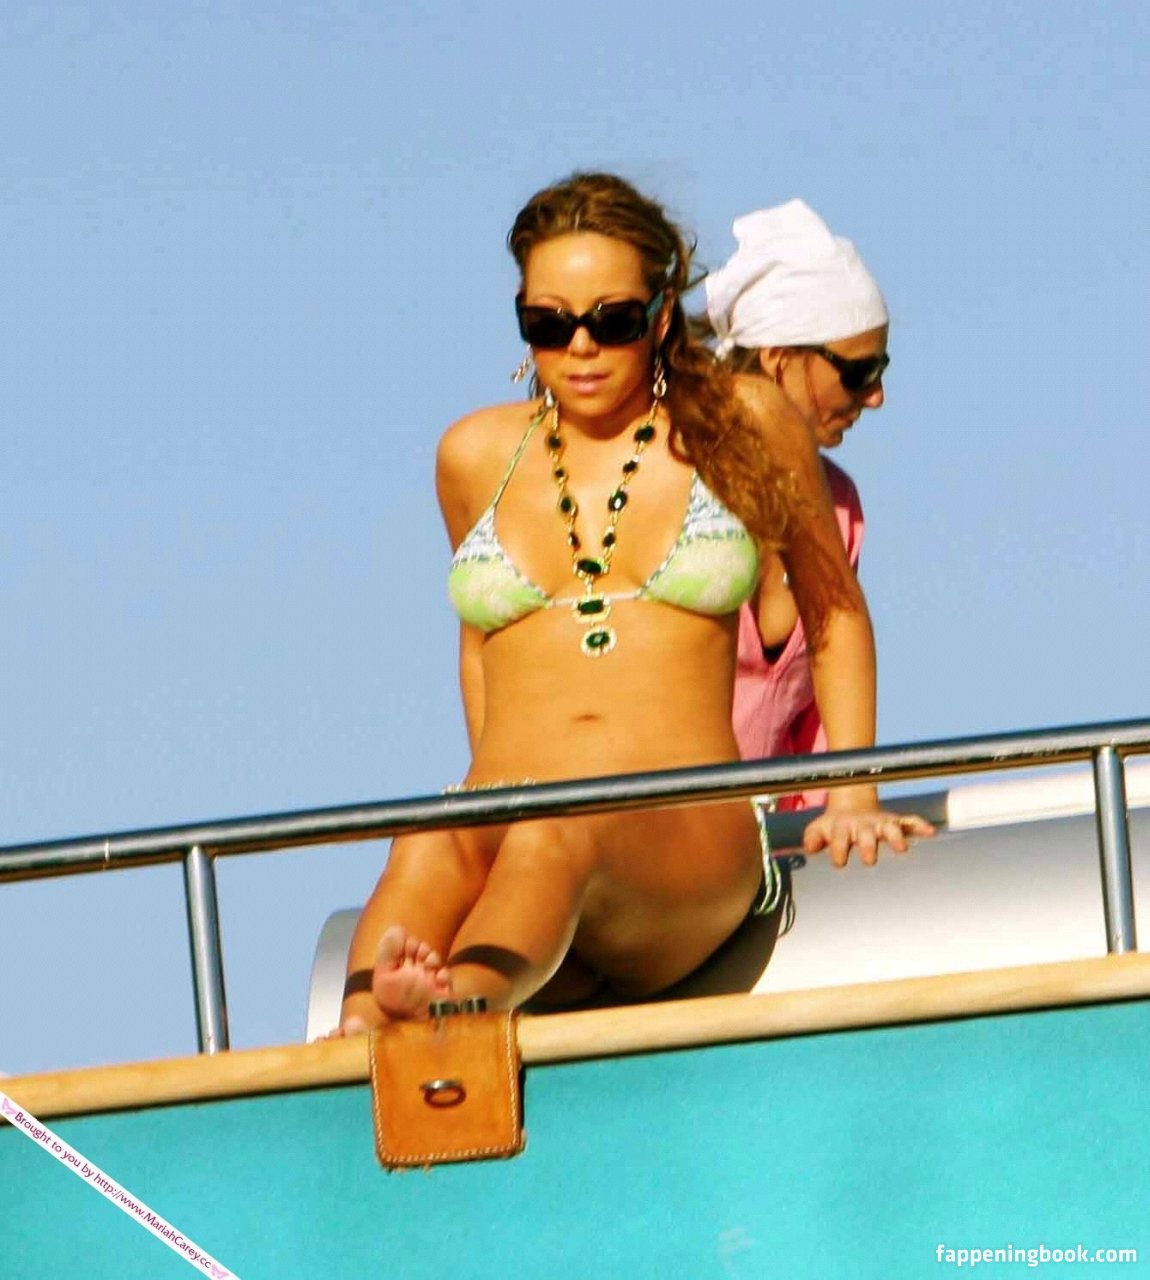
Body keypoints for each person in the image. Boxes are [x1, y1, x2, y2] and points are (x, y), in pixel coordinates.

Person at [338, 174, 921, 1030]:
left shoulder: (742, 422)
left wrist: (853, 795)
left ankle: (457, 1003)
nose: (580, 347)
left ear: (659, 317)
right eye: (548, 324)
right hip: (515, 820)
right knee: (428, 839)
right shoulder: (473, 454)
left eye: (610, 321)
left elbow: (835, 612)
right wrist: (486, 796)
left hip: (683, 832)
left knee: (557, 834)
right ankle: (358, 1032)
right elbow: (480, 646)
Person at [704, 200, 934, 858]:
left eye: (880, 371)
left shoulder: (839, 508)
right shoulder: (669, 491)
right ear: (779, 358)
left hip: (773, 852)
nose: (876, 397)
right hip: (661, 845)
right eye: (859, 373)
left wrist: (850, 805)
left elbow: (815, 726)